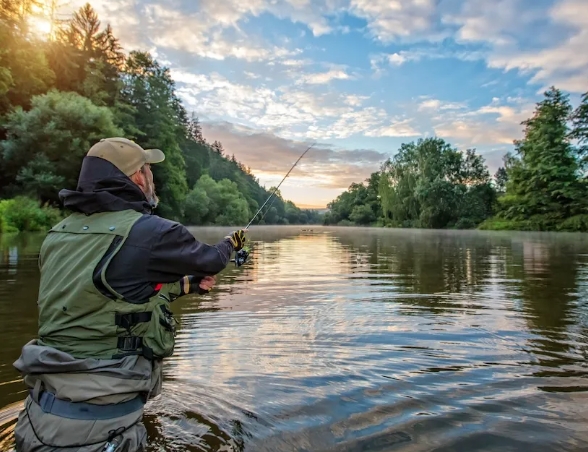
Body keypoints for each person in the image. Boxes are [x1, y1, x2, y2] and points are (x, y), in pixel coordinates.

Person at [12, 137, 248, 451]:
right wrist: (230, 243)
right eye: (149, 170)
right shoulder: (154, 232)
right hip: (98, 435)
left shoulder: (58, 235)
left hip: (35, 421)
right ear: (137, 176)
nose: (153, 178)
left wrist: (188, 285)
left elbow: (105, 294)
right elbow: (212, 260)